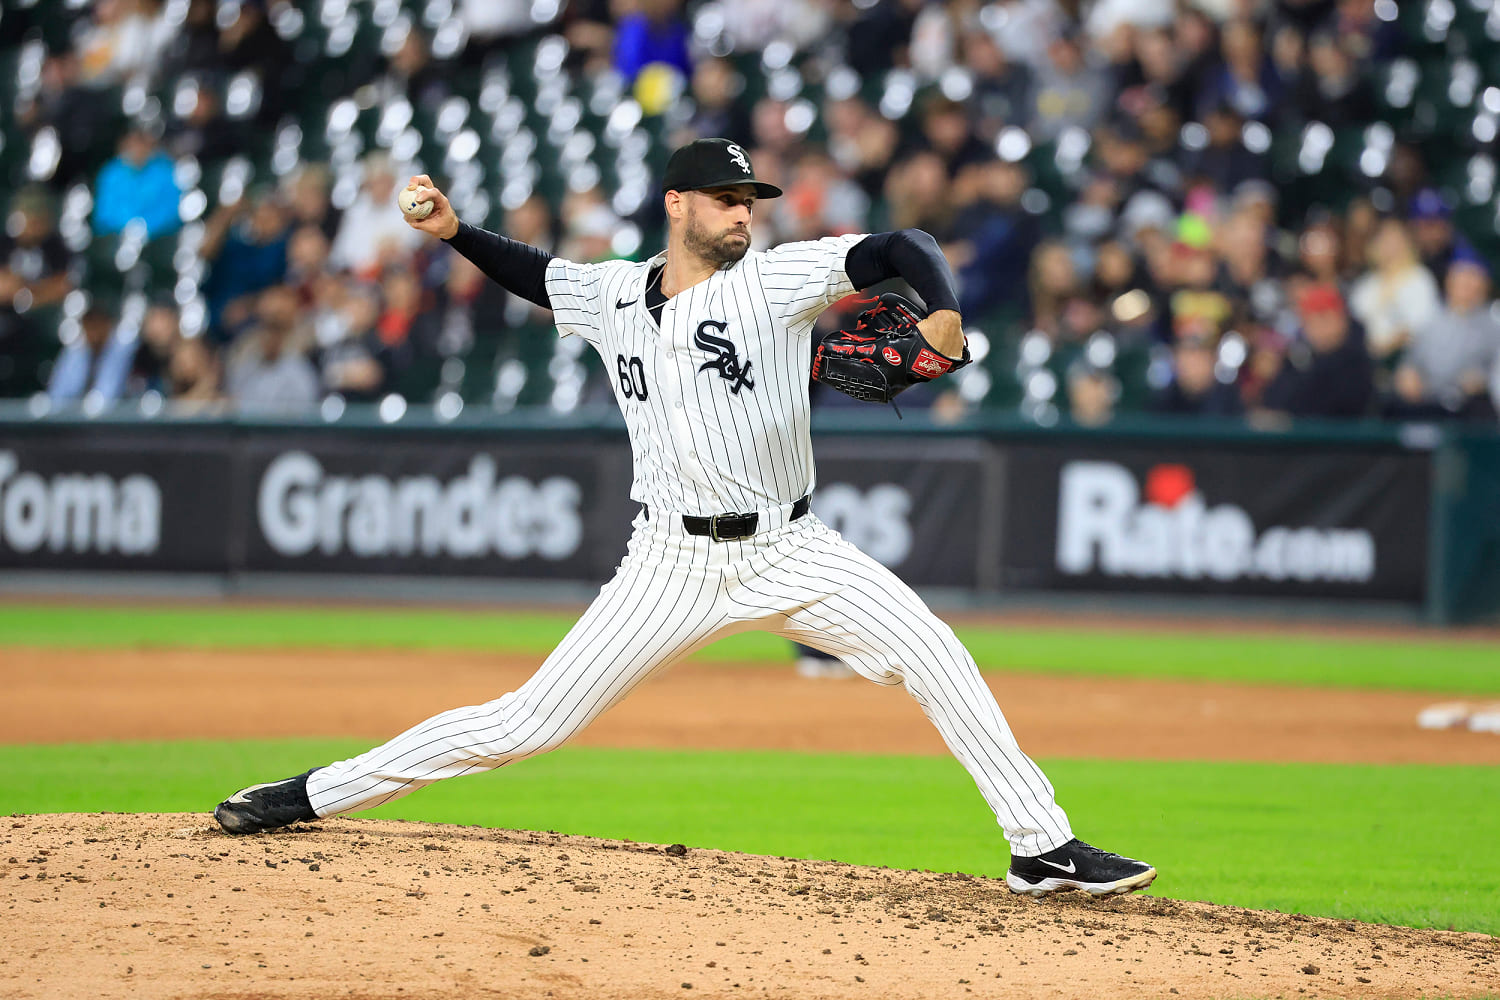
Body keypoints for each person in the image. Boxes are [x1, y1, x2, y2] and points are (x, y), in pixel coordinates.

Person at [214, 137, 1157, 898]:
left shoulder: (779, 280)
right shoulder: (615, 293)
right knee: (524, 725)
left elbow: (904, 247)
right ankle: (310, 794)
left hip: (792, 546)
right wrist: (458, 230)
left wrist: (942, 315)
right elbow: (536, 274)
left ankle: (1040, 846)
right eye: (723, 197)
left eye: (750, 198)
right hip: (668, 561)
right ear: (677, 205)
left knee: (935, 650)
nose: (743, 211)